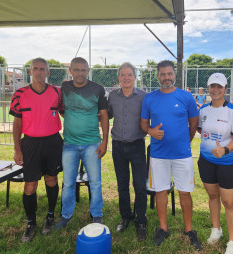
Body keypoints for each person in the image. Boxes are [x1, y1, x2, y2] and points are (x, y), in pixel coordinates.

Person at [140, 60, 202, 250]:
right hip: (158, 154)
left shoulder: (186, 97)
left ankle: (189, 229)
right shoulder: (149, 98)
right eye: (162, 74)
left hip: (182, 154)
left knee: (185, 191)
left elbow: (194, 124)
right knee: (160, 190)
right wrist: (151, 131)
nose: (166, 77)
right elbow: (144, 124)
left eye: (169, 74)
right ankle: (163, 228)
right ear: (157, 76)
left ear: (174, 75)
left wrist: (184, 141)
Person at [10, 58, 64, 242]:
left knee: (51, 179)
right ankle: (31, 223)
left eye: (43, 69)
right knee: (30, 184)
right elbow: (17, 124)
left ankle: (50, 216)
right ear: (30, 72)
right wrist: (18, 149)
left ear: (48, 73)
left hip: (52, 142)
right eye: (35, 68)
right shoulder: (19, 94)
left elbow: (67, 113)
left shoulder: (57, 93)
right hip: (30, 143)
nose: (39, 71)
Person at [55, 57, 109, 229]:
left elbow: (105, 116)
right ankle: (66, 215)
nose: (80, 73)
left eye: (83, 69)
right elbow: (61, 109)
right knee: (68, 182)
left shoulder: (97, 89)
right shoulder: (64, 87)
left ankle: (97, 215)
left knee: (95, 182)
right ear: (70, 70)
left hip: (92, 143)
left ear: (88, 70)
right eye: (76, 70)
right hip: (69, 144)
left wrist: (105, 141)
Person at [197, 73, 233, 254]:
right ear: (208, 88)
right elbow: (202, 130)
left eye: (219, 86)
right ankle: (216, 229)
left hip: (228, 162)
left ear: (225, 89)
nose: (215, 89)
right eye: (212, 86)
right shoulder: (203, 110)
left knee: (229, 202)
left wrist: (224, 150)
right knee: (213, 196)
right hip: (207, 161)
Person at [107, 62, 148, 241]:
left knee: (139, 185)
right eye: (123, 75)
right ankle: (125, 217)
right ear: (118, 78)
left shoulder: (144, 97)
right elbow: (105, 115)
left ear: (135, 77)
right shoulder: (112, 97)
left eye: (129, 74)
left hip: (137, 145)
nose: (126, 78)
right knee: (122, 184)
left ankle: (140, 220)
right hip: (118, 146)